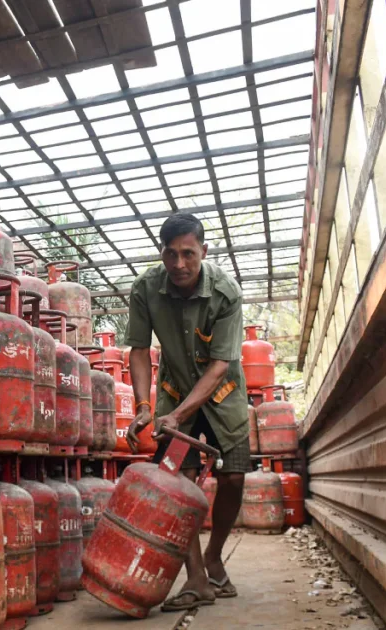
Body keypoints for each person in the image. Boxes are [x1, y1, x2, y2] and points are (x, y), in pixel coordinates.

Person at [124, 212, 249, 612]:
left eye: (188, 254)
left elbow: (220, 365)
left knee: (233, 477)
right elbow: (139, 350)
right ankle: (196, 578)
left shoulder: (226, 292)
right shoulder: (145, 288)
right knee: (179, 481)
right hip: (174, 393)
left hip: (223, 395)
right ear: (161, 252)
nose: (179, 264)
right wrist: (144, 407)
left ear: (203, 251)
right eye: (171, 254)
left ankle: (214, 557)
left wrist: (178, 417)